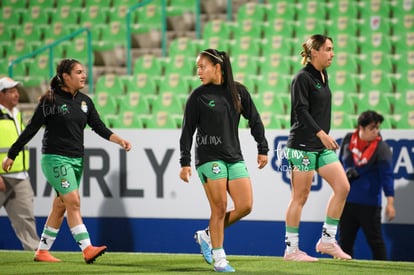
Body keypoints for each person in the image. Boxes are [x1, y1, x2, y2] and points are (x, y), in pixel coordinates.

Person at [2, 59, 132, 264]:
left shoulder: (85, 102)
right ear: (65, 76)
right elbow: (31, 129)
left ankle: (42, 251)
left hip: (76, 160)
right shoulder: (50, 101)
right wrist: (12, 154)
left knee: (61, 205)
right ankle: (87, 248)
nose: (84, 76)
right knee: (73, 201)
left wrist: (119, 140)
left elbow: (98, 126)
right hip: (55, 159)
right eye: (79, 72)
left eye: (84, 72)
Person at [179, 49, 269, 272]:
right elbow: (187, 131)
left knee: (246, 205)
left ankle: (207, 235)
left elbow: (255, 120)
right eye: (197, 67)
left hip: (234, 156)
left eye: (203, 66)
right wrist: (185, 162)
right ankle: (220, 259)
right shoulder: (197, 96)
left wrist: (262, 147)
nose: (198, 71)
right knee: (219, 207)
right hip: (208, 158)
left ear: (217, 67)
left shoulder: (238, 92)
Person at [283, 34, 352, 261]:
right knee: (299, 197)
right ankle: (291, 250)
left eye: (333, 49)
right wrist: (321, 134)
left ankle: (327, 240)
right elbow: (300, 111)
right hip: (302, 146)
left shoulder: (323, 75)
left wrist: (321, 137)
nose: (332, 54)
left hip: (319, 146)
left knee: (342, 187)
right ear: (315, 52)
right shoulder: (301, 78)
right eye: (328, 49)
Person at [338, 110, 395, 260]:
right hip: (346, 202)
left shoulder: (381, 148)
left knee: (376, 243)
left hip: (369, 205)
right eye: (372, 128)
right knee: (344, 244)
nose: (376, 131)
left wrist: (390, 203)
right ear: (361, 128)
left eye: (378, 128)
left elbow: (387, 176)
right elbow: (338, 165)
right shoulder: (348, 139)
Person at [0, 77, 39, 251]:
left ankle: (36, 256)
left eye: (17, 90)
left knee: (27, 220)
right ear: (1, 94)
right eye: (11, 91)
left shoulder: (17, 114)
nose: (16, 94)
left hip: (20, 176)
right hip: (2, 177)